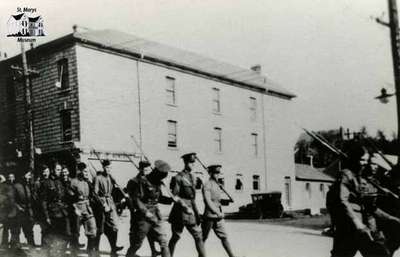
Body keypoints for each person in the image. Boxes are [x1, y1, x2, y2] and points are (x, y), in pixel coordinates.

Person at [330, 141, 399, 257]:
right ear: (354, 159)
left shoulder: (364, 179)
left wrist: (391, 218)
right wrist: (357, 223)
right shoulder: (346, 175)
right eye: (362, 160)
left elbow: (370, 207)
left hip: (366, 228)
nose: (364, 163)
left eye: (366, 161)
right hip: (349, 227)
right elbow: (342, 201)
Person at [126, 160, 174, 257]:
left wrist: (171, 200)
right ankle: (130, 255)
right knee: (137, 243)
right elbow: (136, 199)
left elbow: (158, 197)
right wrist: (145, 212)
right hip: (144, 217)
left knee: (164, 241)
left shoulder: (157, 182)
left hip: (156, 214)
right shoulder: (140, 182)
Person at [168, 153, 206, 257]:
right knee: (176, 236)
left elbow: (194, 193)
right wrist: (184, 206)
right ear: (185, 162)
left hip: (192, 209)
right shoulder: (178, 177)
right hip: (180, 211)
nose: (193, 164)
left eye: (194, 162)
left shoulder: (193, 177)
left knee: (198, 235)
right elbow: (175, 196)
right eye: (190, 162)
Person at [201, 165, 236, 257]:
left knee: (224, 237)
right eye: (215, 173)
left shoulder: (218, 185)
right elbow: (208, 201)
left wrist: (228, 200)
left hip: (218, 216)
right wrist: (217, 212)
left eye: (218, 173)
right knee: (203, 239)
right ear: (210, 173)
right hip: (209, 216)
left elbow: (218, 201)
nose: (217, 175)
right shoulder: (207, 185)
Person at [93, 159, 123, 257]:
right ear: (103, 168)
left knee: (115, 226)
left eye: (110, 167)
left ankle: (114, 248)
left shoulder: (111, 177)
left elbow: (116, 189)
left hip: (111, 202)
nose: (108, 169)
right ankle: (95, 249)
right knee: (100, 228)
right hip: (102, 204)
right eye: (107, 167)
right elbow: (95, 194)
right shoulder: (98, 178)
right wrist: (103, 204)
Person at [39, 164, 71, 257]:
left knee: (65, 235)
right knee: (50, 237)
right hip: (52, 213)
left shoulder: (61, 182)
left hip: (62, 212)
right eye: (57, 169)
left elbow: (65, 196)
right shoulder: (46, 183)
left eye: (60, 170)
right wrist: (47, 216)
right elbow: (43, 201)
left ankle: (60, 254)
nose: (59, 171)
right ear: (53, 170)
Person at [69, 162, 98, 257]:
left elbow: (92, 195)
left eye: (86, 171)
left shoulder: (87, 182)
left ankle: (90, 252)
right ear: (79, 171)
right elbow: (70, 197)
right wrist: (75, 208)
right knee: (75, 233)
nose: (86, 173)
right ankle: (74, 253)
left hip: (87, 208)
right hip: (77, 208)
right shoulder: (73, 182)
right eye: (84, 171)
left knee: (92, 231)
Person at [9, 171, 37, 249]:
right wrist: (19, 208)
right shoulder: (15, 186)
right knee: (15, 233)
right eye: (28, 175)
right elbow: (12, 200)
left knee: (29, 233)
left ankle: (32, 250)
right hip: (17, 213)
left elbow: (30, 199)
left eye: (30, 176)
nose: (30, 177)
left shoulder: (28, 186)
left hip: (27, 213)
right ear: (23, 176)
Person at [1, 173, 16, 248]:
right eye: (9, 177)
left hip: (13, 209)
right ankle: (4, 243)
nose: (11, 179)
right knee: (6, 227)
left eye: (12, 177)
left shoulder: (15, 186)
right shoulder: (5, 187)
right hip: (6, 210)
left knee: (14, 227)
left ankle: (13, 243)